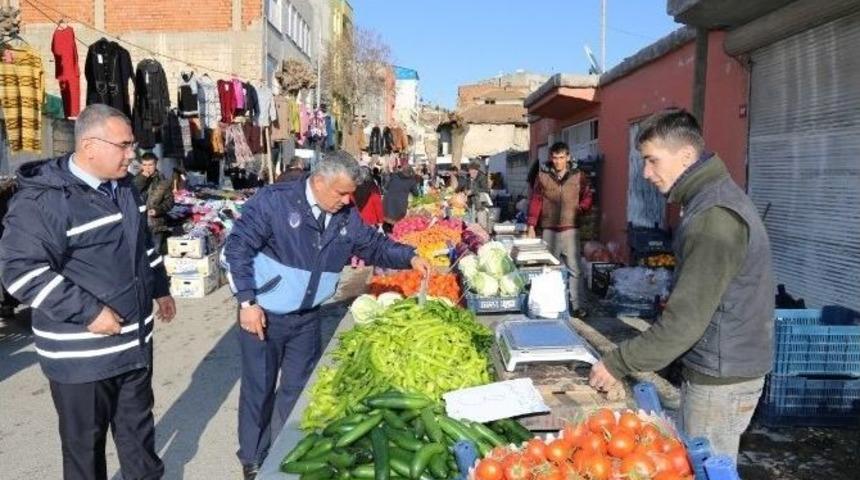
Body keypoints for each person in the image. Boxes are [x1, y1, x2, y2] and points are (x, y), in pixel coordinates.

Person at [222, 151, 431, 479]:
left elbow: (373, 245)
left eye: (351, 193)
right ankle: (252, 457)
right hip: (263, 316)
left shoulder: (345, 215)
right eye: (342, 193)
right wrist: (247, 302)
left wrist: (409, 256)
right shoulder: (275, 202)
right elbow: (236, 249)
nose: (349, 201)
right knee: (259, 390)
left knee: (298, 389)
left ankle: (285, 449)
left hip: (307, 318)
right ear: (318, 181)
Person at [0, 104, 177, 480]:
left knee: (140, 443)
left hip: (133, 345)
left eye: (132, 145)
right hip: (82, 357)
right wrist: (90, 313)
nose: (132, 155)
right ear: (89, 146)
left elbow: (142, 242)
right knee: (84, 452)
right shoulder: (43, 201)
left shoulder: (123, 187)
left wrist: (160, 287)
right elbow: (19, 271)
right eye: (124, 145)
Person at [589, 109, 774, 461]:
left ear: (686, 156)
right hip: (725, 364)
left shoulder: (713, 217)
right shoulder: (707, 200)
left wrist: (617, 362)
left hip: (721, 376)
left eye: (652, 161)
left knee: (706, 467)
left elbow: (685, 324)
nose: (646, 173)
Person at [526, 142, 593, 315]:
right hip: (549, 229)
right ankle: (553, 306)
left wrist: (582, 208)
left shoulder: (579, 176)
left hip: (571, 228)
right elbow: (536, 200)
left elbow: (587, 195)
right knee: (550, 270)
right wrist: (531, 225)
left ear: (568, 157)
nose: (558, 161)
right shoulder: (542, 176)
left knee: (575, 270)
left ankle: (578, 307)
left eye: (561, 158)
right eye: (555, 158)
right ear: (551, 158)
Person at [132, 152, 174, 254]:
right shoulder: (134, 179)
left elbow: (170, 202)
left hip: (156, 224)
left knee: (155, 253)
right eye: (145, 165)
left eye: (150, 165)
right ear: (141, 165)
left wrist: (157, 210)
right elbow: (132, 193)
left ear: (155, 164)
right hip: (138, 224)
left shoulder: (163, 181)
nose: (147, 168)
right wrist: (143, 178)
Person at [351, 167, 384, 268]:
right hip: (370, 220)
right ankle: (362, 260)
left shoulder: (353, 187)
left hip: (356, 218)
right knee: (366, 241)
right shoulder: (373, 187)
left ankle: (354, 259)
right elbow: (377, 204)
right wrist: (380, 220)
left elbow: (350, 202)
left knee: (355, 240)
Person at [382, 164, 420, 232]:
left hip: (388, 202)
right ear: (410, 172)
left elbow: (386, 187)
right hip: (400, 205)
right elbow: (416, 194)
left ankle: (385, 237)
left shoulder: (394, 176)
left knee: (386, 224)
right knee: (396, 228)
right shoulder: (411, 180)